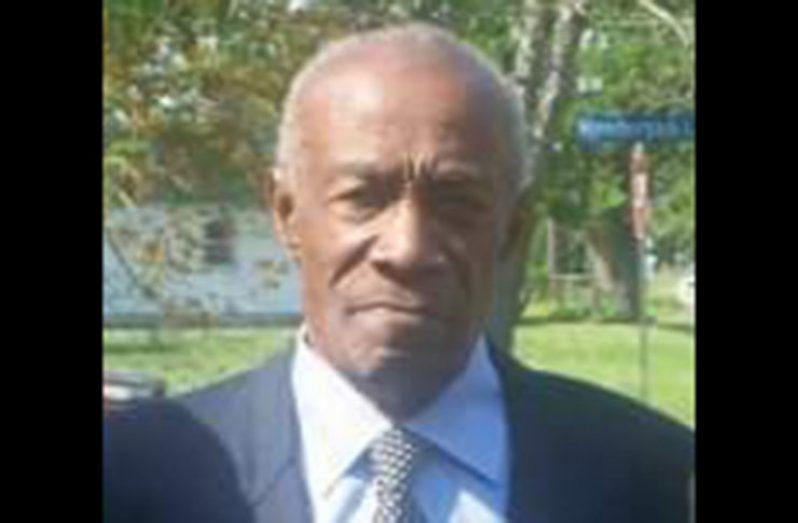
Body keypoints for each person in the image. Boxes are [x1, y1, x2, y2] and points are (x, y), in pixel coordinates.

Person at [104, 23, 694, 523]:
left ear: (512, 231)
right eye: (362, 197)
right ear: (286, 214)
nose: (407, 250)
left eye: (457, 202)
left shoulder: (658, 478)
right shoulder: (134, 476)